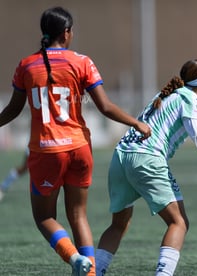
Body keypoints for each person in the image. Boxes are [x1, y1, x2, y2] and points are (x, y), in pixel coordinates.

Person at [0, 7, 151, 276]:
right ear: (67, 32)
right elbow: (104, 106)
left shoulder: (26, 65)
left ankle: (74, 259)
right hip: (80, 149)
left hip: (46, 151)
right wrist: (136, 122)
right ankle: (90, 272)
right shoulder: (82, 61)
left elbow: (12, 109)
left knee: (45, 217)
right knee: (79, 215)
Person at [95, 59, 197, 276]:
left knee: (119, 224)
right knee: (178, 222)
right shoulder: (190, 99)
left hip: (121, 157)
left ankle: (93, 272)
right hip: (147, 159)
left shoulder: (168, 94)